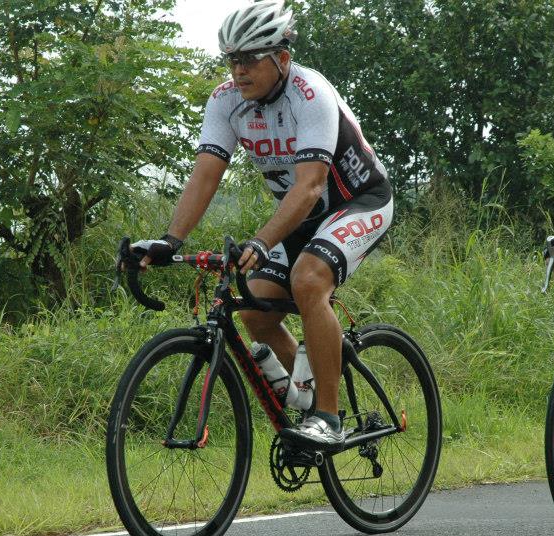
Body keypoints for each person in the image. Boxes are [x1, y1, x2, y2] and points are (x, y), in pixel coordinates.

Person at [130, 1, 393, 448]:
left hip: (360, 202)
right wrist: (170, 241)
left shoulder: (311, 95)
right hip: (301, 219)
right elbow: (207, 174)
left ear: (282, 58)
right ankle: (307, 402)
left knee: (309, 280)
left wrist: (261, 239)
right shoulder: (225, 101)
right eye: (232, 59)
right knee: (253, 310)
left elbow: (310, 187)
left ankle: (327, 418)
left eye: (250, 58)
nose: (239, 70)